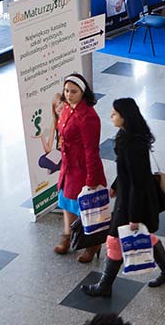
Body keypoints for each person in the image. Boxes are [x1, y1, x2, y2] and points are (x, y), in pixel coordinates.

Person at [83, 98, 165, 298]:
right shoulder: (125, 135)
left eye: (115, 113)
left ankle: (104, 286)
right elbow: (127, 171)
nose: (111, 115)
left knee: (114, 239)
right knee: (143, 235)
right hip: (129, 196)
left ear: (125, 117)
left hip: (134, 201)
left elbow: (137, 182)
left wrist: (134, 217)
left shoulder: (134, 144)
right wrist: (116, 185)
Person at [52, 74, 107, 262]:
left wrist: (91, 179)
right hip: (68, 166)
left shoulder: (88, 117)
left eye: (73, 92)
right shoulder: (67, 108)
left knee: (85, 207)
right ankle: (67, 236)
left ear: (83, 92)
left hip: (82, 168)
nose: (68, 95)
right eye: (66, 91)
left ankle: (92, 244)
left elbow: (91, 150)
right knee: (66, 201)